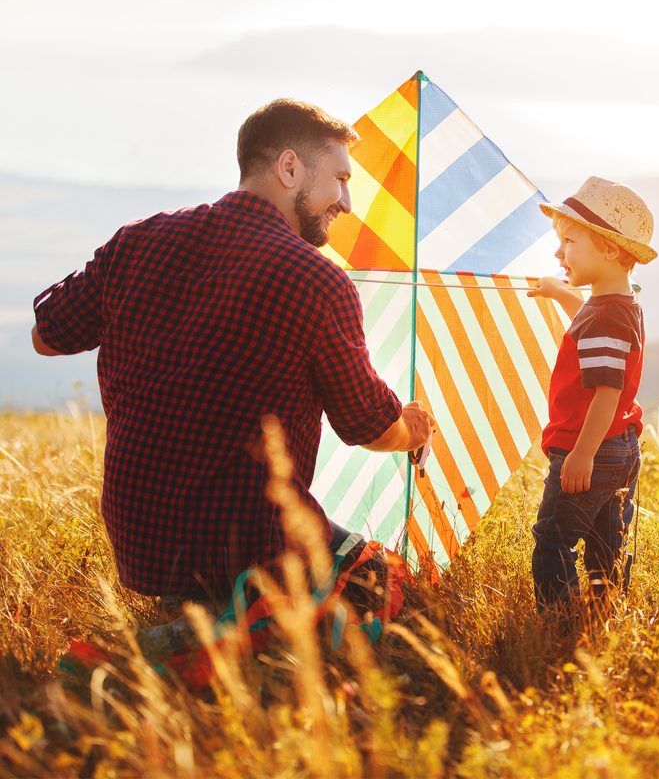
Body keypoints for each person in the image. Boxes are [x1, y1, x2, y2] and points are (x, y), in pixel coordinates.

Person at [31, 99, 433, 613]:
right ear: (289, 167)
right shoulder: (316, 279)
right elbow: (368, 426)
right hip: (249, 547)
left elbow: (47, 336)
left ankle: (199, 627)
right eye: (340, 178)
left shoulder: (137, 241)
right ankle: (245, 625)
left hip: (142, 543)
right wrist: (410, 429)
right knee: (398, 594)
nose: (347, 202)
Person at [526, 176, 656, 618]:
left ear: (610, 250)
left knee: (553, 537)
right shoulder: (617, 305)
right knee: (605, 537)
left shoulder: (606, 317)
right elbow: (588, 321)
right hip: (619, 444)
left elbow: (607, 391)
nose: (559, 253)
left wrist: (581, 454)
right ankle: (604, 605)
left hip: (592, 447)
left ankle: (559, 621)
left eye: (569, 241)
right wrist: (562, 292)